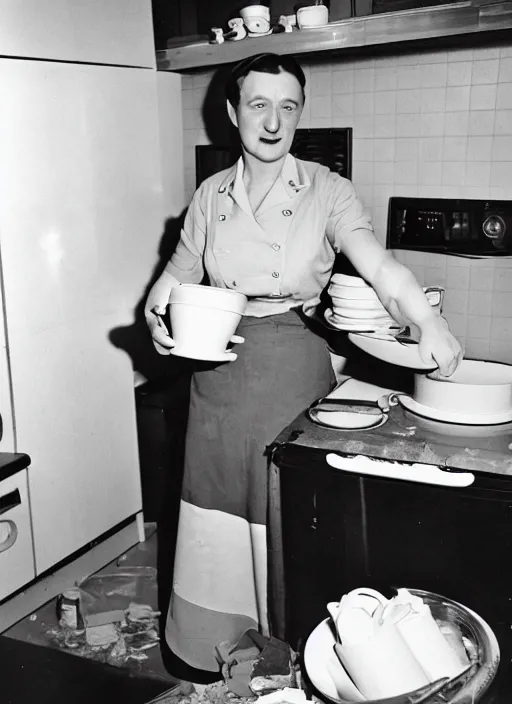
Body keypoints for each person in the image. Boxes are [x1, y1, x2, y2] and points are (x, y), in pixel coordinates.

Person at [145, 52, 462, 675]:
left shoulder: (327, 189)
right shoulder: (210, 196)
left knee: (288, 509)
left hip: (294, 364)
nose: (272, 121)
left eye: (287, 106)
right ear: (232, 113)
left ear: (300, 114)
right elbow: (173, 280)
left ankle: (295, 653)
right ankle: (215, 650)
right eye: (258, 104)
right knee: (215, 511)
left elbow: (381, 269)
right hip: (219, 372)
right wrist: (158, 323)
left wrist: (429, 320)